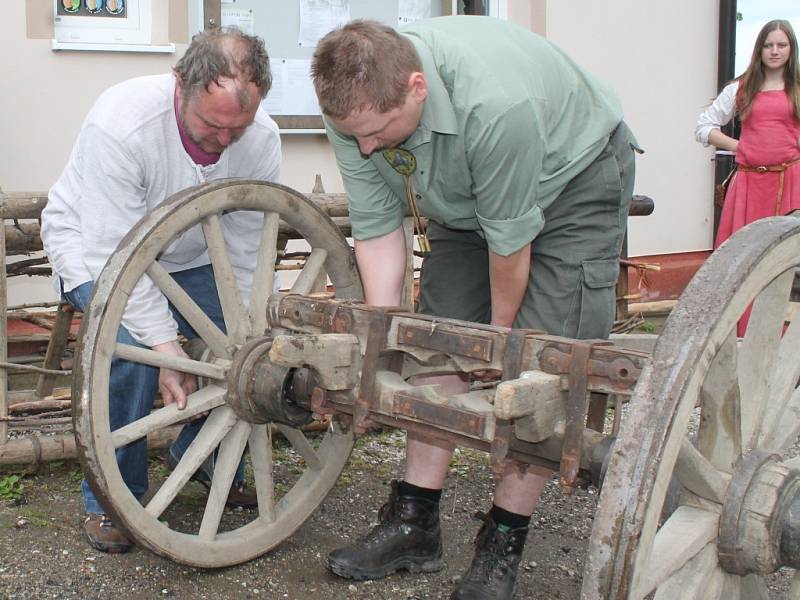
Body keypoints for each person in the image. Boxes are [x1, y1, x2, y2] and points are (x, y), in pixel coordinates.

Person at [311, 16, 639, 600]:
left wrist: (499, 338)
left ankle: (502, 544)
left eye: (379, 132)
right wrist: (384, 342)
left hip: (572, 180)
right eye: (353, 135)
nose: (365, 148)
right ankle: (414, 522)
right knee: (435, 340)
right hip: (464, 196)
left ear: (417, 87)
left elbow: (509, 243)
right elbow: (378, 227)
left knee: (545, 362)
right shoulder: (356, 107)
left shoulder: (497, 106)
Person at [41, 27, 281, 554]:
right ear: (181, 86)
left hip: (192, 256)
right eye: (211, 126)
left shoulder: (261, 138)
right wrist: (164, 347)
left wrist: (243, 323)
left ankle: (206, 458)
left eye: (235, 131)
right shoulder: (123, 124)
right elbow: (114, 252)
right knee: (128, 350)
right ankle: (112, 498)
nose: (223, 142)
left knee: (245, 348)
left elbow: (244, 249)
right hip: (93, 248)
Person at [696, 19, 800, 335]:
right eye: (768, 45)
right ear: (759, 49)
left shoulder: (798, 89)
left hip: (790, 183)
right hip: (749, 186)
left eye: (781, 45)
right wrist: (740, 146)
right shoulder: (741, 89)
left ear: (791, 49)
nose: (774, 51)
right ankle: (739, 332)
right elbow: (704, 127)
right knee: (742, 262)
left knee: (787, 263)